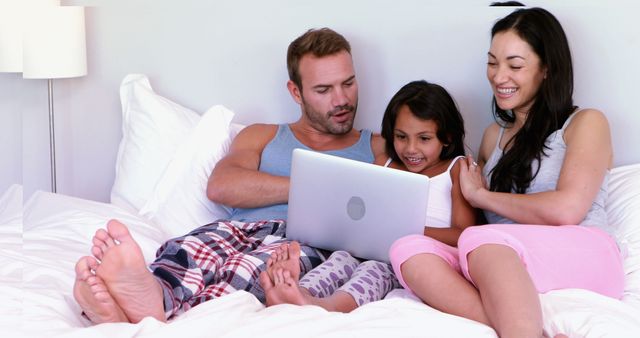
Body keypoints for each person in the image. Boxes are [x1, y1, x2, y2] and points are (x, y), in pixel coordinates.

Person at [73, 27, 386, 324]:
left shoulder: (378, 147)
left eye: (348, 83)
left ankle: (142, 312)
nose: (341, 99)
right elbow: (222, 186)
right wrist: (311, 188)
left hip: (305, 242)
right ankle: (150, 294)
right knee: (192, 248)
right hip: (240, 228)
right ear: (296, 92)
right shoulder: (261, 135)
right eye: (323, 89)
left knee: (248, 269)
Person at [390, 7, 625, 338]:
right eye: (492, 63)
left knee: (480, 239)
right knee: (407, 249)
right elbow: (470, 221)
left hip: (585, 255)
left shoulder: (586, 122)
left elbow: (567, 209)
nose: (499, 77)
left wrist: (483, 196)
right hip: (505, 260)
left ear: (546, 69)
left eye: (514, 65)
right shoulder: (492, 137)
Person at [259, 80, 476, 313]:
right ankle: (299, 291)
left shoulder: (457, 168)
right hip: (374, 248)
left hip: (413, 259)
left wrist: (406, 231)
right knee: (340, 259)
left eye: (424, 139)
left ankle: (324, 306)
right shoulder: (386, 162)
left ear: (448, 138)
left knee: (376, 271)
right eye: (401, 137)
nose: (411, 149)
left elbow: (464, 234)